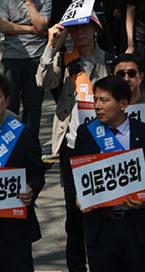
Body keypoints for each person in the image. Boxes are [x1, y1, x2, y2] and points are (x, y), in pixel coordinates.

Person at [69, 75, 145, 272]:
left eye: (104, 100)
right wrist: (79, 198)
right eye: (95, 100)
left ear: (123, 104)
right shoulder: (86, 133)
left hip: (137, 225)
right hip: (101, 226)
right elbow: (76, 173)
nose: (97, 106)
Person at [37, 19, 106, 272]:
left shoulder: (109, 60)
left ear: (96, 30)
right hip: (72, 144)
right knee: (73, 212)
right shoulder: (65, 60)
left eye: (84, 27)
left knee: (100, 209)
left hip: (102, 145)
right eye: (73, 28)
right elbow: (43, 82)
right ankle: (76, 265)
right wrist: (50, 46)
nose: (79, 33)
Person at [0, 0, 52, 145]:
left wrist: (29, 2)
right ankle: (6, 148)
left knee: (33, 108)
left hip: (35, 58)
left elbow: (42, 24)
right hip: (11, 58)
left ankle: (31, 149)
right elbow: (3, 25)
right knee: (9, 106)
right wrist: (30, 29)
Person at [0, 71, 45, 272]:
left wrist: (31, 189)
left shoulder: (22, 134)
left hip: (14, 228)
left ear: (7, 100)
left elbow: (37, 173)